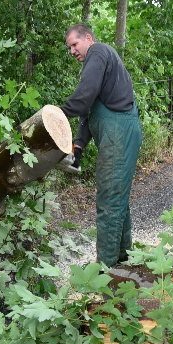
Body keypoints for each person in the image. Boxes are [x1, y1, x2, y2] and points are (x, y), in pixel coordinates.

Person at [60, 23, 142, 267]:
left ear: (88, 38)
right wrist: (78, 147)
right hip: (116, 134)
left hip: (120, 133)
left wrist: (57, 114)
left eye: (74, 44)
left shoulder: (99, 52)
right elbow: (87, 111)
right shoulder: (95, 64)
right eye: (69, 48)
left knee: (109, 201)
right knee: (118, 199)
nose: (72, 51)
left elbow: (83, 97)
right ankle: (124, 261)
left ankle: (105, 271)